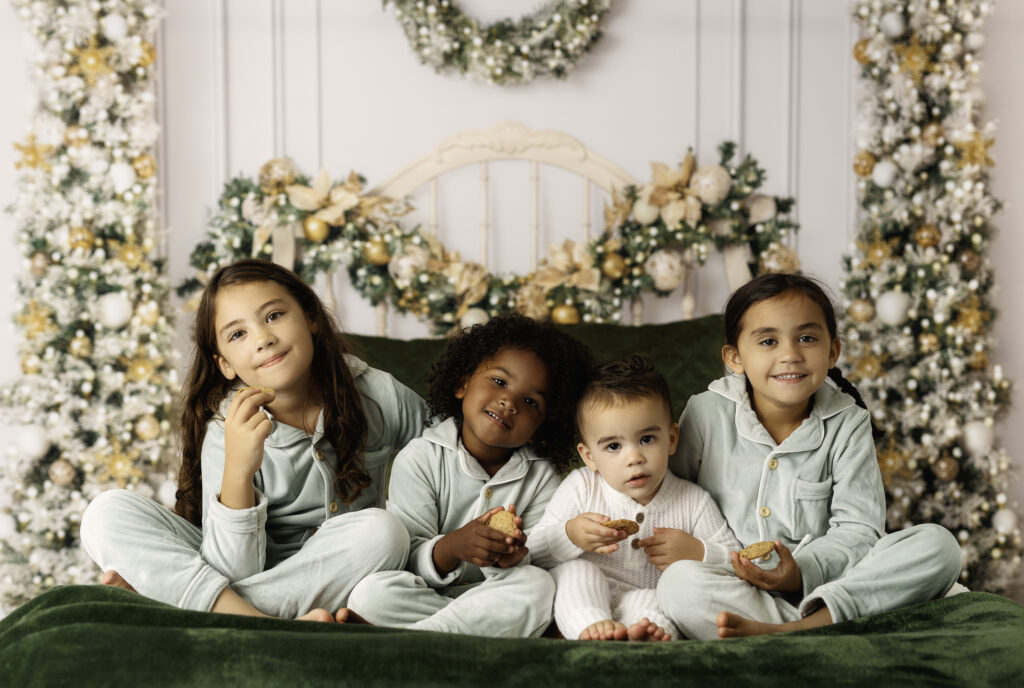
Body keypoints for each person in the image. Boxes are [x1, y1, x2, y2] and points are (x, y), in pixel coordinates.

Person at [80, 259, 427, 622]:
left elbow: (448, 451)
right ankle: (263, 625)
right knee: (104, 512)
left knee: (383, 532)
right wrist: (238, 471)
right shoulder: (224, 429)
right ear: (225, 364)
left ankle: (186, 609)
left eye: (274, 315)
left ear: (310, 317)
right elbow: (234, 569)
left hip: (336, 571)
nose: (263, 338)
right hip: (241, 568)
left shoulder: (377, 394)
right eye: (237, 334)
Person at [658, 272, 963, 640]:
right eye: (768, 341)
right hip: (733, 585)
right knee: (678, 584)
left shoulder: (848, 422)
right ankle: (806, 631)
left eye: (806, 338)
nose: (790, 354)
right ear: (735, 358)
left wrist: (800, 572)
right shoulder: (706, 413)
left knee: (939, 545)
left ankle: (799, 629)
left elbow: (860, 530)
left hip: (828, 587)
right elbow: (672, 497)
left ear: (832, 351)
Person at [343, 313, 593, 637]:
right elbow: (404, 558)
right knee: (370, 593)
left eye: (530, 401)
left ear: (541, 428)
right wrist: (452, 547)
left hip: (493, 599)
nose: (509, 402)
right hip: (426, 596)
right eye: (500, 382)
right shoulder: (419, 459)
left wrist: (514, 556)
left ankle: (414, 640)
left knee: (539, 586)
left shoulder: (543, 477)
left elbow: (540, 556)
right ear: (462, 384)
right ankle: (458, 637)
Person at [529, 355, 741, 642]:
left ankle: (646, 633)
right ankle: (590, 628)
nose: (634, 458)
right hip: (589, 592)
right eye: (614, 446)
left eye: (647, 439)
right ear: (589, 457)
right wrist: (569, 535)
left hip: (649, 596)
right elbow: (530, 555)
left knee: (659, 599)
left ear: (672, 438)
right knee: (575, 572)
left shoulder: (693, 500)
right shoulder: (581, 487)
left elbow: (735, 562)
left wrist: (698, 551)